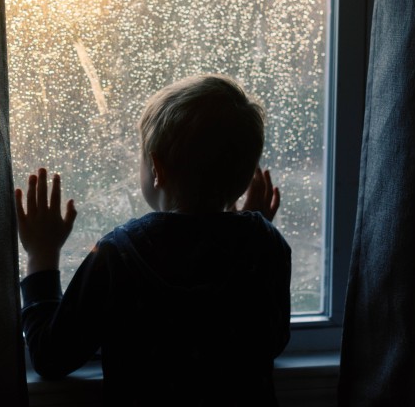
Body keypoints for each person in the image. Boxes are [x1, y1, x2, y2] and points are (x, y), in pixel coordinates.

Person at [15, 74, 291, 406]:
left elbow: (51, 357)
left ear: (156, 168)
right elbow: (271, 340)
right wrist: (250, 228)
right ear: (246, 178)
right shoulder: (266, 245)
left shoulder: (118, 255)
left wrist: (42, 255)